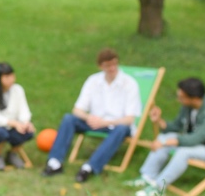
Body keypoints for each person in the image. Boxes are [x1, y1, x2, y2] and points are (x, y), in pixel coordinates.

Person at [129, 77, 205, 196]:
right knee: (164, 137)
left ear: (194, 98)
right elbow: (175, 127)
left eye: (181, 97)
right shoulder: (189, 106)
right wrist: (159, 121)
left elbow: (193, 140)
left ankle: (158, 188)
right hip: (200, 143)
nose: (178, 99)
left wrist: (164, 143)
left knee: (183, 152)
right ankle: (147, 177)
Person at [42, 48, 141, 183]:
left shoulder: (130, 83)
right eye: (108, 65)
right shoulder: (93, 81)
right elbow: (77, 109)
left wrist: (105, 123)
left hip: (116, 125)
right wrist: (89, 118)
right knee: (69, 119)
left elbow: (130, 119)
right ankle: (55, 162)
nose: (112, 68)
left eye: (114, 64)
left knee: (122, 129)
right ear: (100, 66)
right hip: (94, 122)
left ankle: (89, 167)